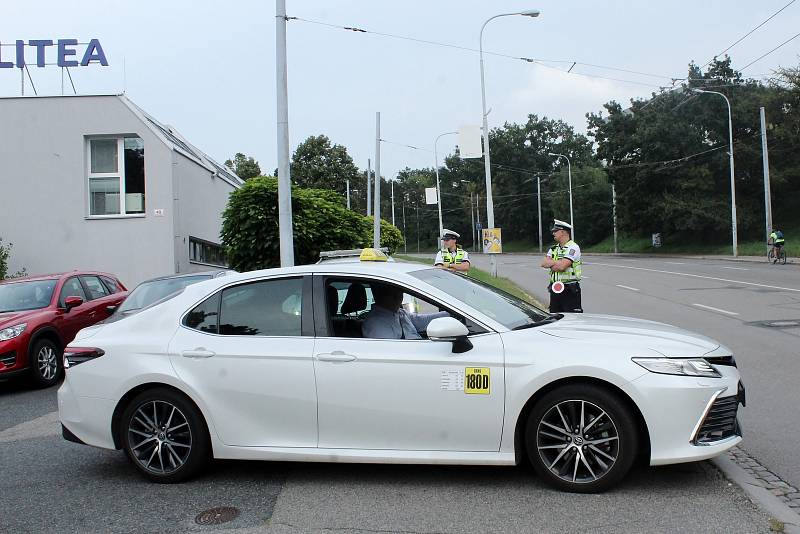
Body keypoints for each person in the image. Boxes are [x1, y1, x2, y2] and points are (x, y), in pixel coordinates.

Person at [362, 283, 449, 339]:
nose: (400, 297)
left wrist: (450, 314)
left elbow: (421, 320)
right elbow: (393, 352)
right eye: (395, 293)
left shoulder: (399, 313)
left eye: (400, 293)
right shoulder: (376, 323)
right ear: (380, 295)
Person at [540, 219, 583, 313]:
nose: (553, 233)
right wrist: (557, 263)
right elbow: (543, 263)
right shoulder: (554, 248)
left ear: (563, 232)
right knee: (554, 317)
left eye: (555, 231)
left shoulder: (573, 247)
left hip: (569, 290)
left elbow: (562, 266)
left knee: (571, 319)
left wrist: (552, 263)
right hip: (555, 288)